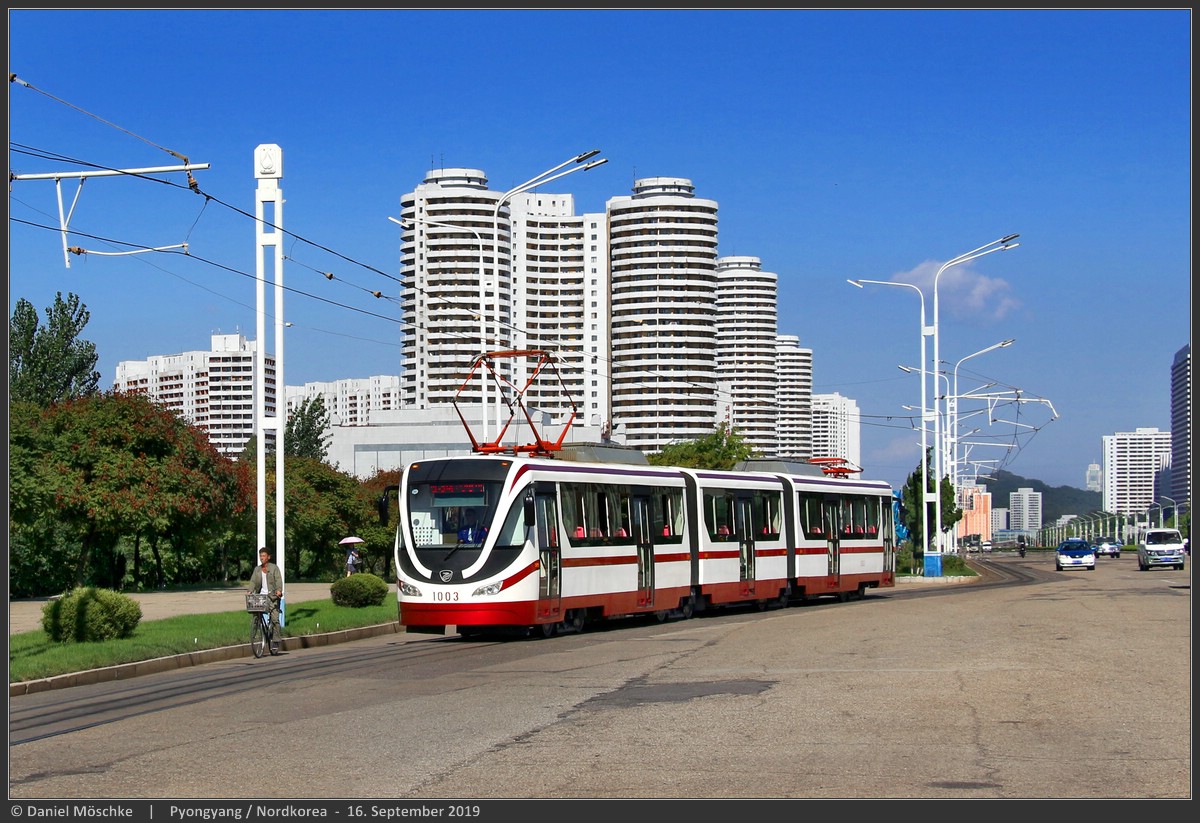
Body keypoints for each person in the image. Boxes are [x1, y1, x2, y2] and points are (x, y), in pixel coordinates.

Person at [248, 547, 284, 652]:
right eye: (260, 556)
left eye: (263, 556)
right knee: (255, 611)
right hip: (261, 597)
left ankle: (276, 640)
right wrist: (250, 591)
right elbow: (253, 581)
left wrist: (279, 590)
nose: (261, 558)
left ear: (268, 557)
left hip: (272, 597)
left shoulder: (274, 568)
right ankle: (257, 628)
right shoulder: (257, 569)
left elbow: (278, 580)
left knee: (275, 619)